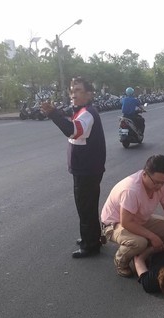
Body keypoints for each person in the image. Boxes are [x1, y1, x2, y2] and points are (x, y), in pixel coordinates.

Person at [41, 77, 106, 258]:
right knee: (88, 205)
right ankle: (91, 237)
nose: (73, 94)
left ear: (88, 94)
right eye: (72, 90)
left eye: (78, 90)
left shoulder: (88, 113)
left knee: (85, 206)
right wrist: (54, 112)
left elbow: (72, 130)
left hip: (87, 170)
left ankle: (90, 245)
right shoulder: (81, 111)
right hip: (86, 168)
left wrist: (53, 114)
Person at [101, 154, 164, 277]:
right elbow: (126, 222)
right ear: (144, 174)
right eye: (157, 182)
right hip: (115, 223)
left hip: (139, 219)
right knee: (140, 242)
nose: (160, 186)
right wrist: (153, 237)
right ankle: (120, 261)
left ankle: (143, 252)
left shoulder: (161, 184)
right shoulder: (131, 190)